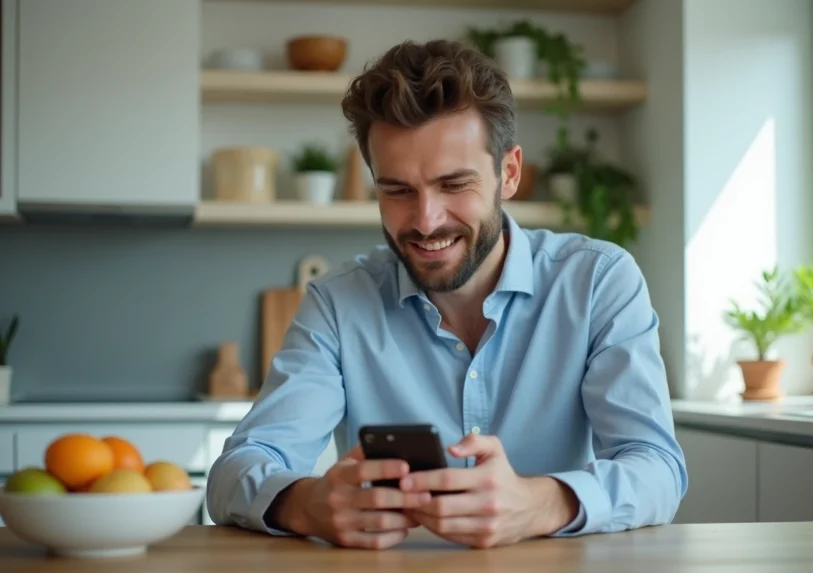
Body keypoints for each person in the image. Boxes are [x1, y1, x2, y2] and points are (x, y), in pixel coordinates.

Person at [206, 38, 688, 550]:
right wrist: (304, 504)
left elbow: (657, 468)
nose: (426, 221)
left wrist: (539, 503)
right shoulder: (337, 302)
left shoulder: (597, 281)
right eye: (397, 190)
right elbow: (234, 472)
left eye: (454, 184)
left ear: (509, 172)